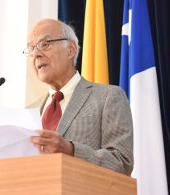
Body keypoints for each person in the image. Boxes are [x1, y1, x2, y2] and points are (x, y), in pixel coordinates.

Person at [25, 19, 133, 175]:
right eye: (31, 49)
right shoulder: (30, 112)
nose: (36, 54)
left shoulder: (108, 97)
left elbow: (122, 162)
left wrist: (70, 150)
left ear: (70, 49)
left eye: (44, 44)